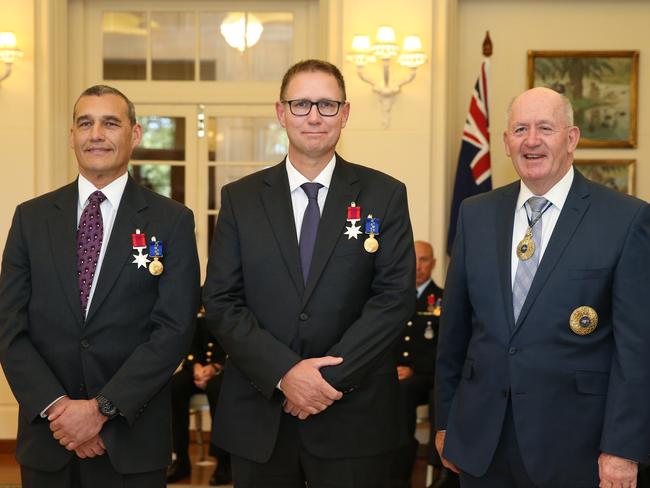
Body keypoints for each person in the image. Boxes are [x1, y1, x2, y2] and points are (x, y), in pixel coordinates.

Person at [202, 59, 415, 487]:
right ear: (281, 112)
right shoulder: (241, 199)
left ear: (346, 113)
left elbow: (393, 299)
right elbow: (222, 301)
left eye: (327, 104)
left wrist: (323, 381)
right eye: (301, 104)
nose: (314, 116)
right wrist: (286, 374)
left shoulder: (385, 194)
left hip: (354, 418)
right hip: (261, 417)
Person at [435, 86, 650, 488]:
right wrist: (446, 421)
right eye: (520, 129)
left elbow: (636, 350)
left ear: (571, 139)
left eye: (545, 128)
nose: (531, 141)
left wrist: (623, 447)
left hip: (577, 449)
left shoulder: (625, 219)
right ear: (505, 142)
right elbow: (455, 334)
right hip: (482, 443)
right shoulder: (475, 215)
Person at [0, 85, 200, 488]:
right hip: (48, 439)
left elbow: (174, 331)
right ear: (71, 136)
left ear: (135, 135)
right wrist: (59, 409)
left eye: (110, 123)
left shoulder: (172, 221)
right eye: (85, 123)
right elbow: (9, 327)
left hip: (132, 441)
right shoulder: (31, 219)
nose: (96, 134)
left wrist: (102, 410)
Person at [389, 241, 453, 488]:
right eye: (414, 259)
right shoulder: (393, 298)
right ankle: (385, 467)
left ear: (434, 263)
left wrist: (414, 368)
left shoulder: (443, 299)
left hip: (429, 374)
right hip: (394, 372)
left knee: (406, 391)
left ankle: (436, 473)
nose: (417, 266)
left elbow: (448, 344)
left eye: (424, 260)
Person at [166, 311, 231, 485]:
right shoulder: (198, 297)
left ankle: (224, 461)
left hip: (226, 370)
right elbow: (190, 340)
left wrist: (216, 367)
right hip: (198, 367)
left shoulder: (234, 293)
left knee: (217, 388)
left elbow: (238, 342)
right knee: (174, 386)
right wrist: (196, 366)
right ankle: (180, 460)